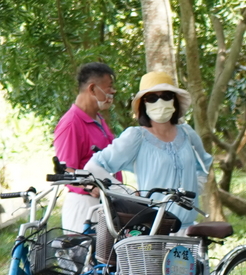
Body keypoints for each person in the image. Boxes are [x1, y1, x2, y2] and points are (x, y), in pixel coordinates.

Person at [84, 71, 211, 225]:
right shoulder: (136, 137)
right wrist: (127, 194)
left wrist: (196, 187)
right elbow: (93, 167)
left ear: (175, 100)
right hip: (154, 228)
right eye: (152, 98)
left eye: (166, 96)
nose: (160, 102)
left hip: (189, 229)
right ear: (143, 104)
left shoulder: (188, 134)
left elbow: (203, 165)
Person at [53, 62, 116, 234]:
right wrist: (90, 187)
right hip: (85, 207)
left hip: (105, 204)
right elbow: (66, 171)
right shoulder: (71, 124)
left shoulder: (98, 120)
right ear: (93, 88)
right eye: (109, 87)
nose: (113, 92)